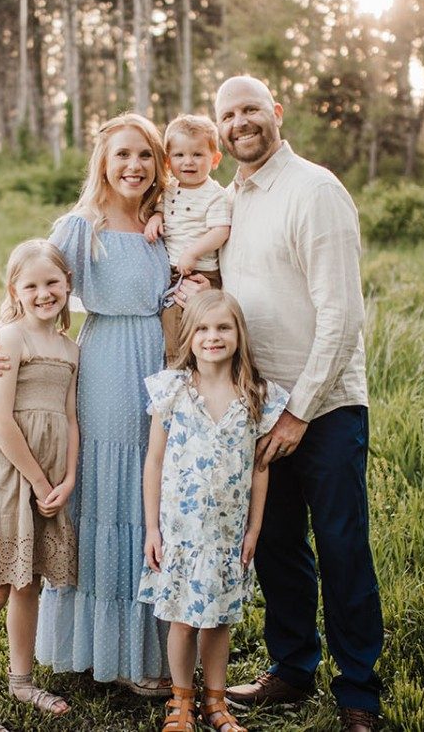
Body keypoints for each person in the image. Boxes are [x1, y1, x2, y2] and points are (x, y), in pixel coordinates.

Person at [183, 76, 384, 732]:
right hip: (259, 408)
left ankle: (358, 691)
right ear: (220, 130)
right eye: (228, 114)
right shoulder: (234, 200)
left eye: (250, 109)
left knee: (341, 546)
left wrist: (301, 410)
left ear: (276, 113)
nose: (241, 121)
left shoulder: (314, 191)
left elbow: (342, 314)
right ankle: (293, 668)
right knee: (274, 545)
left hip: (323, 409)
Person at [0, 113, 174, 694]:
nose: (133, 166)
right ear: (103, 163)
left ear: (157, 162)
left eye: (144, 154)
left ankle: (147, 651)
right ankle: (97, 648)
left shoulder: (168, 219)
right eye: (122, 155)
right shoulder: (78, 227)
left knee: (152, 497)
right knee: (107, 493)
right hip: (107, 364)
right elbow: (28, 293)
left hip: (162, 362)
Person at [0, 239, 81, 732]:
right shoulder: (10, 339)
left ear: (68, 285)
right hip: (10, 473)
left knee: (31, 583)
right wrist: (40, 479)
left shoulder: (70, 348)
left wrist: (66, 479)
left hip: (48, 478)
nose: (44, 293)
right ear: (15, 290)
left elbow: (70, 417)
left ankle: (21, 680)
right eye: (32, 285)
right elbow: (1, 421)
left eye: (53, 283)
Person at [138, 290, 288, 732]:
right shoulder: (173, 390)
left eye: (223, 327)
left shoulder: (256, 395)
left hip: (226, 534)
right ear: (189, 336)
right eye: (202, 328)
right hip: (180, 532)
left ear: (239, 334)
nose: (212, 337)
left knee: (218, 621)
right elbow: (155, 461)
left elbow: (260, 470)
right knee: (182, 621)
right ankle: (181, 702)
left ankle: (216, 703)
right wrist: (152, 528)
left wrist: (254, 530)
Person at [143, 115, 232, 363]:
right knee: (166, 318)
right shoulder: (169, 189)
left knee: (177, 318)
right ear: (168, 161)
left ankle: (176, 365)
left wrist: (192, 253)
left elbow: (220, 231)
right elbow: (164, 210)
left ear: (214, 160)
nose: (188, 162)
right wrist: (155, 218)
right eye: (180, 155)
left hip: (198, 271)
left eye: (197, 154)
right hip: (171, 269)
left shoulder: (215, 195)